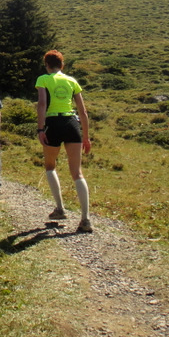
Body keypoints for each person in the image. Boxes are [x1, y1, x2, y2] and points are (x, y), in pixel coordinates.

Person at [36, 50, 93, 233]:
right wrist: (86, 136)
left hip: (53, 122)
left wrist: (40, 128)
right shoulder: (72, 81)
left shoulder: (43, 79)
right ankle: (85, 219)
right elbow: (83, 112)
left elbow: (42, 104)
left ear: (47, 65)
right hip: (71, 123)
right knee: (77, 172)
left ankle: (60, 208)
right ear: (62, 65)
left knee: (50, 166)